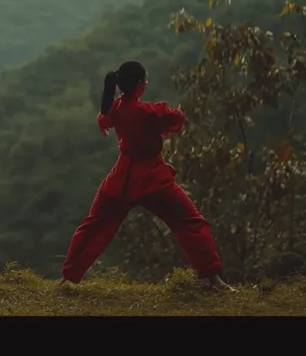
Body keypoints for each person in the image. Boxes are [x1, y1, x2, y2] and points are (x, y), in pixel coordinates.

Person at [59, 61, 235, 291]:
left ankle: (68, 278)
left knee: (94, 225)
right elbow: (177, 117)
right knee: (190, 222)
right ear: (140, 85)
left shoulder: (115, 108)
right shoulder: (147, 111)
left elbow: (104, 118)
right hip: (152, 178)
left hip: (121, 177)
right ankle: (213, 279)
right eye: (146, 80)